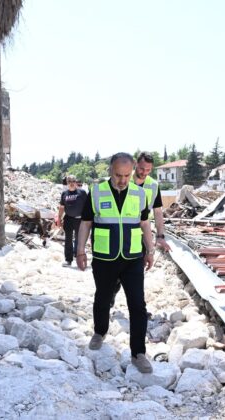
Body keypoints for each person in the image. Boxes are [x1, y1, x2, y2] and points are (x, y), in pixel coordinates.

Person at [76, 152, 155, 374]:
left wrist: (150, 250)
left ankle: (138, 352)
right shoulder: (96, 192)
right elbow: (86, 223)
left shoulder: (140, 194)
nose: (122, 180)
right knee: (102, 297)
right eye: (118, 175)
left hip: (132, 258)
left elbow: (144, 224)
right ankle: (100, 331)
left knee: (138, 305)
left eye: (127, 175)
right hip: (104, 258)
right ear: (110, 170)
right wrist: (80, 251)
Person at [110, 152, 171, 307]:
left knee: (137, 273)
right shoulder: (122, 180)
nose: (144, 173)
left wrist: (160, 235)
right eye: (142, 168)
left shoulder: (152, 186)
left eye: (148, 170)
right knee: (116, 271)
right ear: (136, 165)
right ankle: (111, 294)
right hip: (121, 233)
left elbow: (157, 212)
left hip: (141, 234)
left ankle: (138, 309)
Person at [55, 174, 88, 267]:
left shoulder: (82, 193)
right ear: (67, 183)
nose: (72, 183)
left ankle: (79, 259)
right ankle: (68, 260)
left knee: (79, 240)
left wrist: (88, 219)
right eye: (69, 181)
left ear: (76, 182)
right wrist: (59, 219)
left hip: (80, 219)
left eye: (73, 181)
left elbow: (88, 206)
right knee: (68, 240)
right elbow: (62, 207)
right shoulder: (64, 194)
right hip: (68, 219)